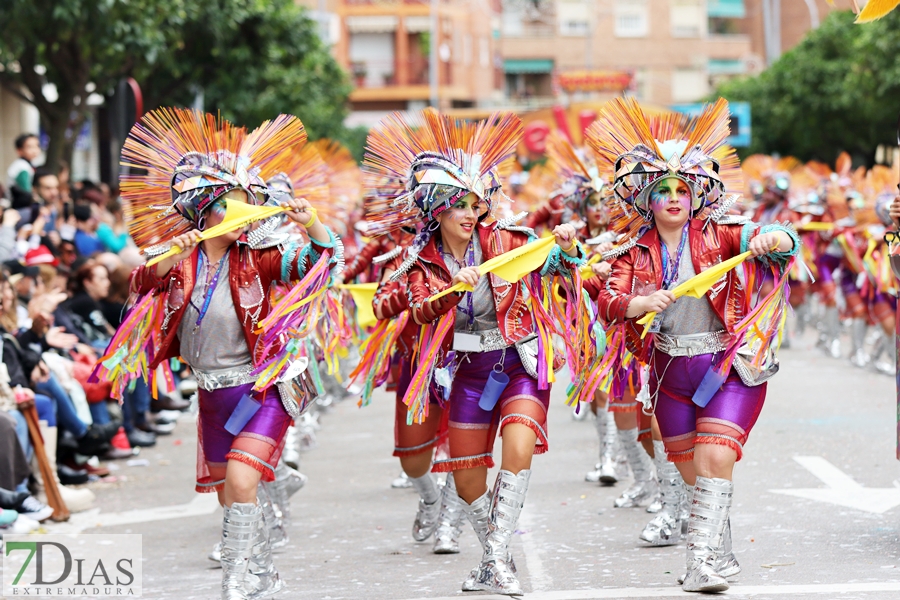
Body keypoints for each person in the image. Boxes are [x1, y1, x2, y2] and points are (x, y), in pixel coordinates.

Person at [116, 108, 340, 600]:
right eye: (232, 205)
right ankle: (263, 571)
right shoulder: (179, 262)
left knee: (241, 477)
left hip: (263, 386)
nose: (244, 214)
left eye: (248, 204)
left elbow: (319, 262)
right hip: (212, 395)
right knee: (232, 493)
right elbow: (137, 288)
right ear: (206, 211)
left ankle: (234, 581)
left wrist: (315, 225)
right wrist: (166, 260)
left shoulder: (259, 256)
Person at [365, 108, 583, 595]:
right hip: (464, 370)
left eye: (475, 203)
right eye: (457, 204)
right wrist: (445, 292)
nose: (469, 213)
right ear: (436, 209)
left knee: (519, 443)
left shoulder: (507, 240)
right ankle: (495, 558)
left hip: (518, 361)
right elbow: (392, 305)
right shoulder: (417, 259)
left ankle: (499, 564)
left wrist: (567, 250)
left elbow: (555, 270)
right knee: (467, 482)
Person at [587, 97, 799, 593]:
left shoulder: (724, 234)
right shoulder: (631, 252)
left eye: (683, 188)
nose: (675, 197)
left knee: (715, 460)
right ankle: (717, 552)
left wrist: (774, 239)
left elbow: (780, 237)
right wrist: (638, 304)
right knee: (693, 477)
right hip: (668, 375)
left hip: (727, 368)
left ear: (698, 194)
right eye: (663, 190)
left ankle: (697, 564)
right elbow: (609, 302)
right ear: (648, 199)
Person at [6, 134, 40, 208]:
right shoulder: (22, 166)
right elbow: (26, 190)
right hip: (18, 206)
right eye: (30, 147)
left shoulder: (27, 164)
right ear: (19, 150)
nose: (35, 150)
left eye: (37, 146)